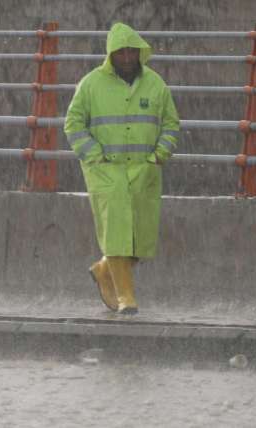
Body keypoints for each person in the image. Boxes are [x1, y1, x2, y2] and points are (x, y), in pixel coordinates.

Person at [64, 22, 180, 315]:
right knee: (117, 233)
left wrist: (159, 155)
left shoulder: (156, 85)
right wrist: (94, 156)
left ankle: (104, 270)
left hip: (144, 170)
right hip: (107, 172)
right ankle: (126, 298)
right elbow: (73, 124)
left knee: (140, 238)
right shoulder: (91, 84)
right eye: (121, 51)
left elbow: (170, 123)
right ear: (111, 54)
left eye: (131, 50)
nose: (127, 56)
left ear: (140, 52)